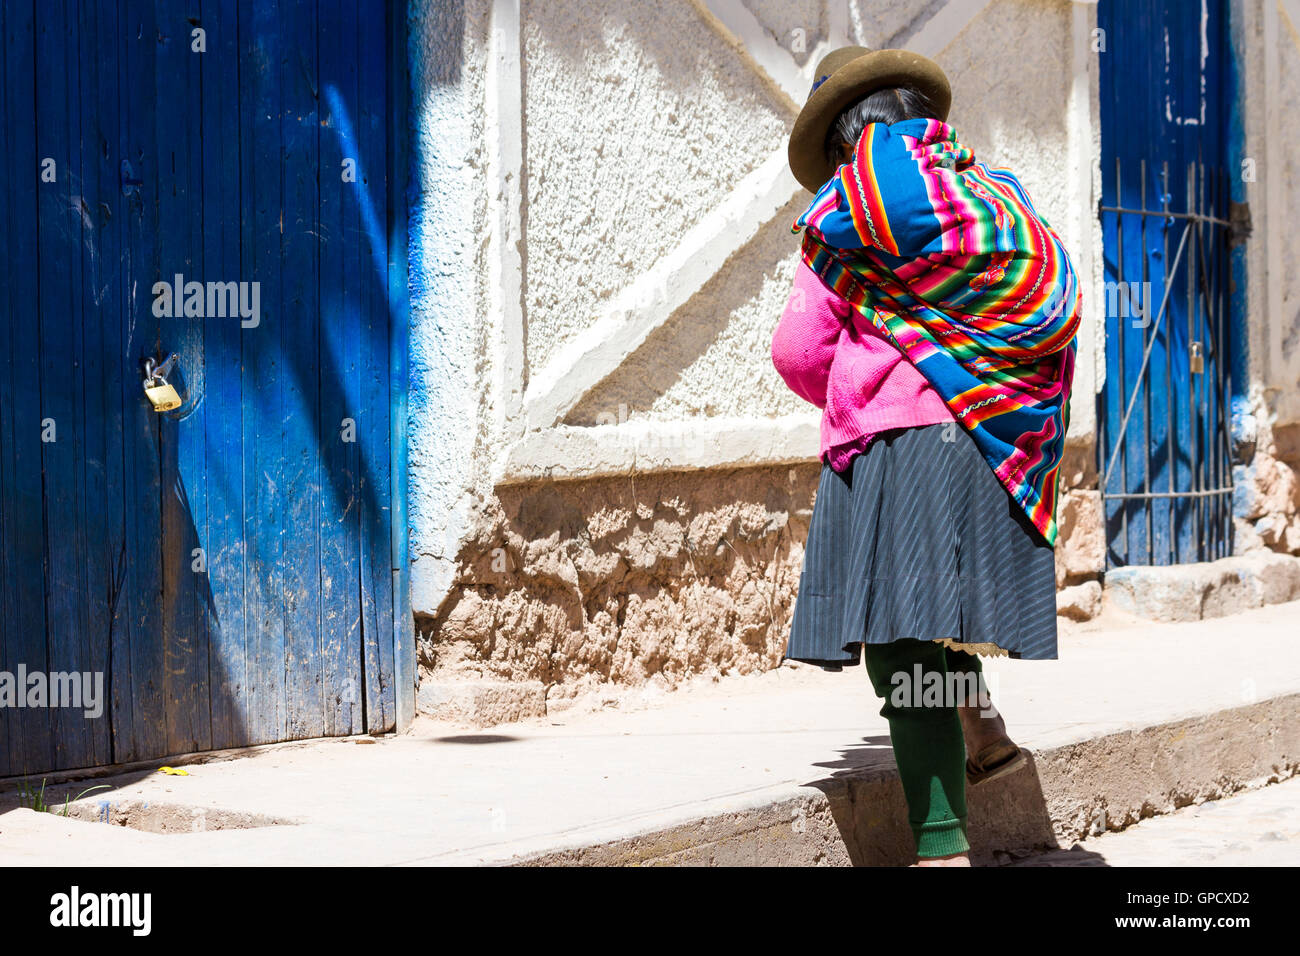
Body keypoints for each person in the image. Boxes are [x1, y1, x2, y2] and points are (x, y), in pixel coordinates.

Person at [771, 46, 1081, 866]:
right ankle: (981, 724)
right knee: (935, 618)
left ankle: (942, 851)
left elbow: (799, 349)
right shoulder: (996, 194)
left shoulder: (850, 210)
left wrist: (858, 393)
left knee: (904, 640)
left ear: (845, 142)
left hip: (900, 441)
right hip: (993, 441)